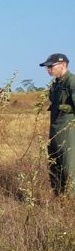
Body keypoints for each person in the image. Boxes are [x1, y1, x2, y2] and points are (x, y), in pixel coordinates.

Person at [40, 53, 75, 196]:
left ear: (63, 65)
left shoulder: (71, 82)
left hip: (68, 131)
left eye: (51, 66)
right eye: (47, 67)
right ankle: (59, 200)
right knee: (54, 166)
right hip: (55, 130)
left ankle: (71, 202)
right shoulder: (55, 84)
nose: (48, 69)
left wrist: (65, 108)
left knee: (69, 167)